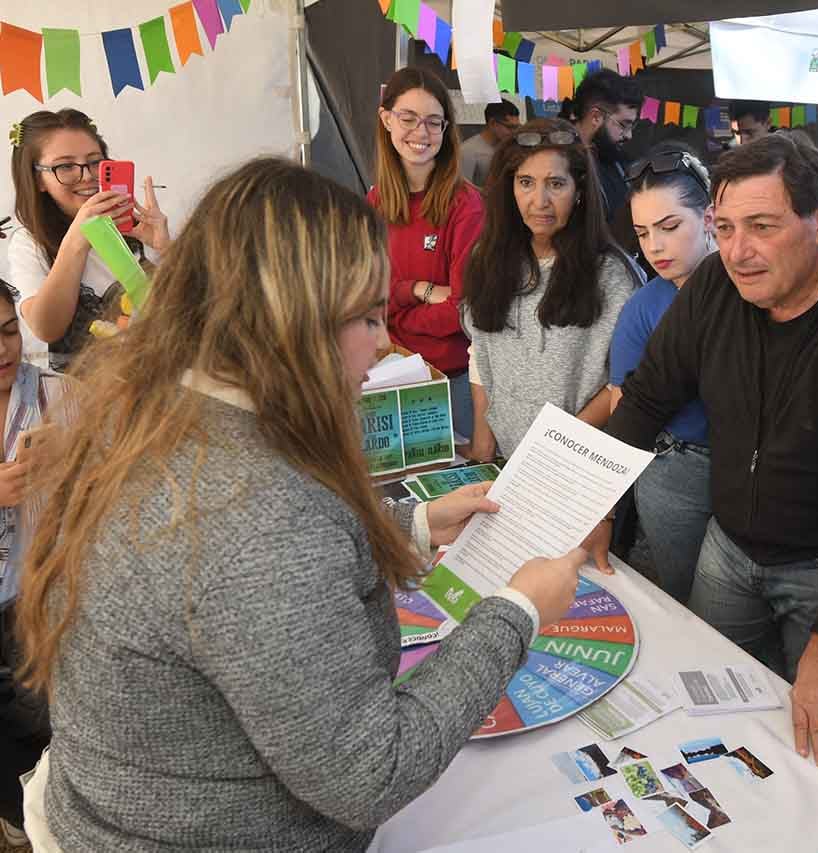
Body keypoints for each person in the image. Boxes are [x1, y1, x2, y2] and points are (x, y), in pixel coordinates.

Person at [14, 158, 583, 852]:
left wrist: (410, 524)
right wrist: (517, 611)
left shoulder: (158, 407)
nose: (380, 344)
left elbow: (214, 600)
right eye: (367, 317)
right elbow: (370, 769)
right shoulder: (252, 516)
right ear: (286, 320)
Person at [591, 131, 818, 770]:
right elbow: (647, 396)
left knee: (811, 739)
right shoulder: (717, 282)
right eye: (724, 228)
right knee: (708, 717)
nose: (737, 252)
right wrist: (598, 504)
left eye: (762, 226)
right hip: (730, 544)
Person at [462, 119, 639, 461]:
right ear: (509, 187)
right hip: (505, 458)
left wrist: (562, 446)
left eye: (556, 183)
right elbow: (480, 351)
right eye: (526, 182)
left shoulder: (612, 276)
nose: (539, 200)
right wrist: (483, 444)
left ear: (579, 191)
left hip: (574, 467)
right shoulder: (486, 258)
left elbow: (628, 378)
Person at [608, 142, 716, 603]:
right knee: (689, 602)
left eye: (670, 227)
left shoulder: (755, 286)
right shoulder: (643, 308)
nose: (654, 246)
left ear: (710, 218)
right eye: (642, 232)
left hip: (760, 470)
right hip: (673, 470)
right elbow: (622, 409)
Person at [7, 109, 169, 372]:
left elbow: (191, 312)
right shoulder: (30, 243)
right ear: (38, 180)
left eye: (96, 162)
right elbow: (46, 328)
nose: (87, 176)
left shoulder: (140, 229)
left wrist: (165, 249)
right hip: (89, 401)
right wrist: (78, 238)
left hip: (158, 386)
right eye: (66, 166)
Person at [369, 67, 484, 439]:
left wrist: (393, 321)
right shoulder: (375, 201)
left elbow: (461, 310)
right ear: (386, 119)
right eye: (409, 118)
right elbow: (367, 294)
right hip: (383, 374)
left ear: (446, 130)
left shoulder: (466, 206)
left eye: (434, 122)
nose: (421, 132)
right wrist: (417, 289)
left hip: (448, 382)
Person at [0, 280, 64, 849]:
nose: (2, 349)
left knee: (40, 713)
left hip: (36, 591)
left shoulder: (59, 394)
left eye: (6, 331)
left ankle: (38, 809)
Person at [559, 69, 643, 226]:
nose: (628, 135)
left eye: (632, 126)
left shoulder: (620, 163)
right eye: (623, 125)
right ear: (596, 117)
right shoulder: (558, 163)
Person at [458, 99, 520, 189]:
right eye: (510, 127)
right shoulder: (467, 151)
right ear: (493, 123)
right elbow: (463, 192)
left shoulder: (511, 147)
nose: (514, 132)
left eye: (517, 127)